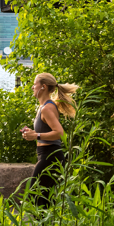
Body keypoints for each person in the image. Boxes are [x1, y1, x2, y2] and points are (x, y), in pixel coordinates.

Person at [21, 73, 79, 208]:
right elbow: (47, 131)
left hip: (51, 156)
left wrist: (36, 135)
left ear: (43, 87)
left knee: (38, 199)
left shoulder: (47, 108)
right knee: (42, 199)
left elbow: (60, 133)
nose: (32, 87)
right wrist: (33, 133)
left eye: (35, 84)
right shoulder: (43, 107)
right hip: (45, 155)